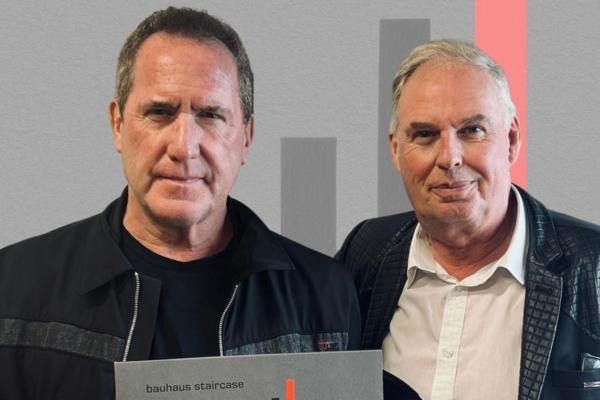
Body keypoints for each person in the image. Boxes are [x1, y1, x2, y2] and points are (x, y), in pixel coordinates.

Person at [0, 7, 360, 399]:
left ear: (246, 136)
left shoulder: (327, 296)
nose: (184, 147)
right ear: (118, 124)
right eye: (159, 112)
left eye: (211, 115)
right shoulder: (13, 285)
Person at [337, 39, 600, 400]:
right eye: (425, 134)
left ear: (511, 139)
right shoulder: (366, 253)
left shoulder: (595, 265)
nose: (450, 157)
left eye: (472, 130)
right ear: (396, 150)